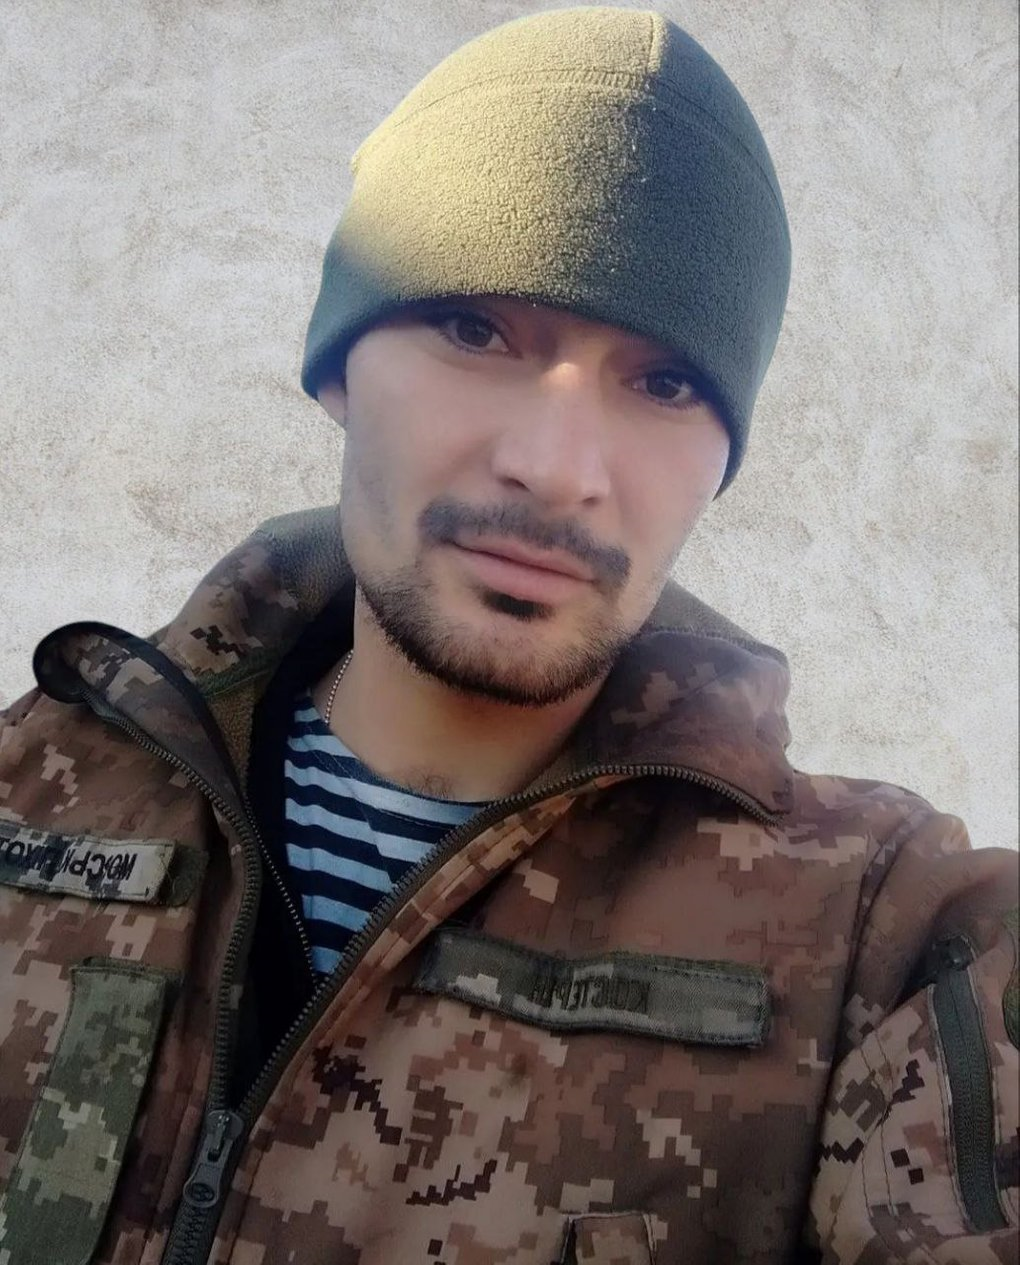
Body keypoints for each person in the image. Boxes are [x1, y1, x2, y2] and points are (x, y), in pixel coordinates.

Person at [0, 7, 1015, 1263]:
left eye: (665, 382)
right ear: (338, 369)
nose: (556, 468)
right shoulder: (28, 792)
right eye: (478, 332)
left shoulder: (883, 937)